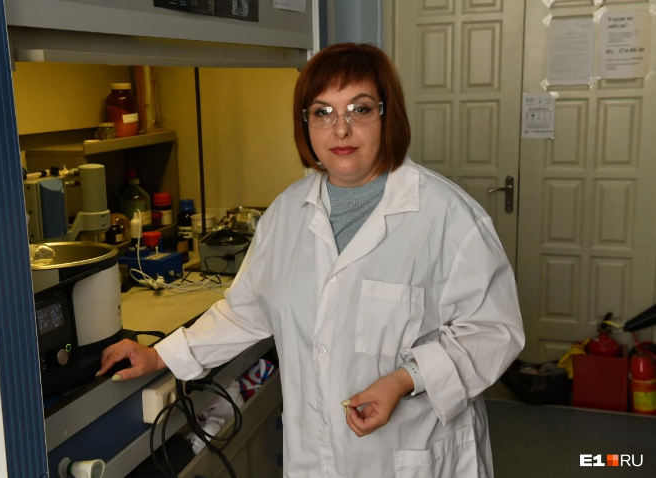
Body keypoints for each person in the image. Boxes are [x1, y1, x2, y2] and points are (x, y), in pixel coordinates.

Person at [99, 43, 525, 477]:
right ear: (306, 124)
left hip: (415, 454)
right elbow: (248, 309)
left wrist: (405, 379)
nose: (340, 129)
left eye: (360, 109)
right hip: (316, 457)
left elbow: (495, 331)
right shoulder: (287, 213)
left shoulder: (448, 214)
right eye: (323, 112)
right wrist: (161, 356)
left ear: (388, 115)